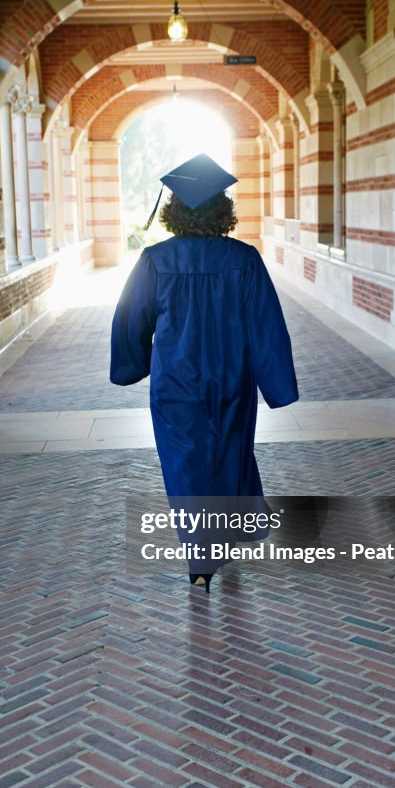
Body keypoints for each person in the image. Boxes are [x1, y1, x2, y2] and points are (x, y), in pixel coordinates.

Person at [110, 152, 298, 591]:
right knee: (229, 457)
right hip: (232, 381)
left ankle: (200, 559)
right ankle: (216, 545)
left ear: (175, 211)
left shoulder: (155, 260)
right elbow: (265, 326)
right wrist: (276, 384)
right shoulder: (244, 259)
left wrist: (134, 363)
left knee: (185, 468)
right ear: (222, 210)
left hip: (175, 383)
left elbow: (130, 320)